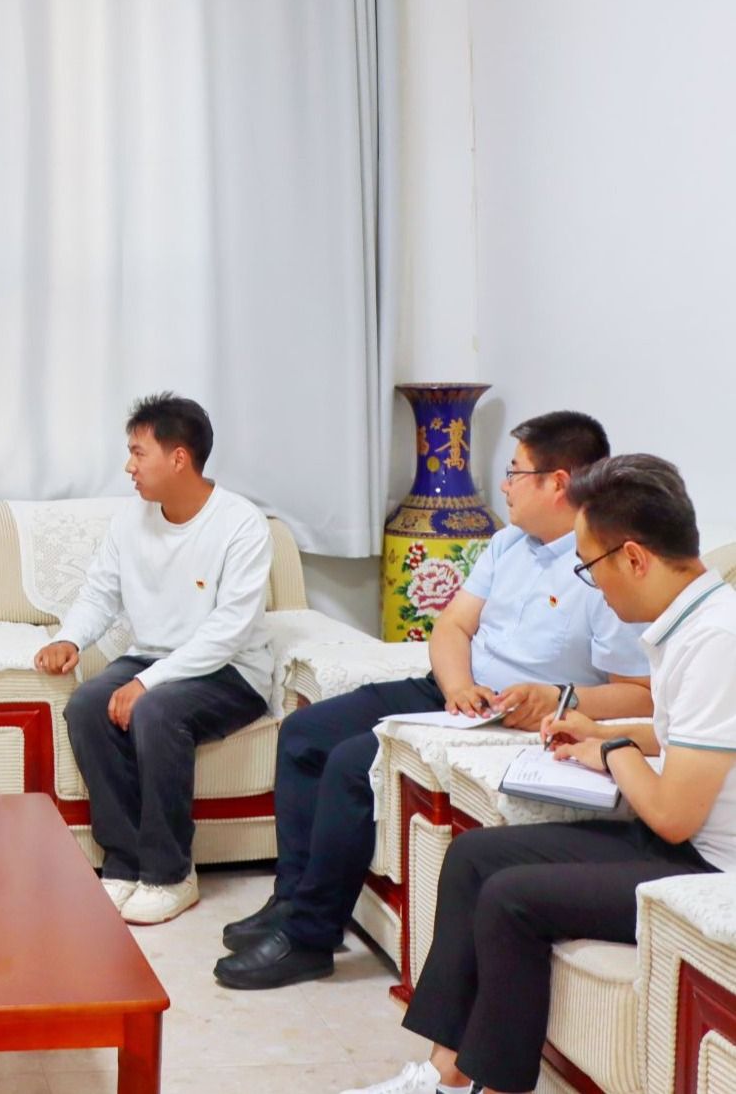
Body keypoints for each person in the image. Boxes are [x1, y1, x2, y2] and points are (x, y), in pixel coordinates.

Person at [216, 411, 652, 990]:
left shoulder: (604, 567)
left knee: (352, 762)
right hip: (455, 692)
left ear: (559, 482)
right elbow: (452, 627)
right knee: (305, 733)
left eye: (515, 472)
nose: (504, 485)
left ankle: (310, 937)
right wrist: (456, 687)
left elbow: (639, 694)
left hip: (515, 717)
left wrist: (557, 698)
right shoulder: (506, 544)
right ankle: (291, 900)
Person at [343, 454, 732, 1094]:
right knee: (473, 857)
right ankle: (446, 1076)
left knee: (512, 898)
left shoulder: (717, 642)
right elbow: (680, 738)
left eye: (590, 566)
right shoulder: (686, 623)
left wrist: (613, 751)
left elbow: (672, 814)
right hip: (683, 842)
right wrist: (598, 732)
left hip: (709, 867)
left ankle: (494, 1086)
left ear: (634, 558)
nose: (592, 584)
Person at [32, 393, 275, 925]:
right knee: (87, 705)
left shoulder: (242, 524)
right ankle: (124, 863)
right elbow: (100, 593)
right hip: (153, 659)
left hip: (231, 671)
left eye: (138, 453)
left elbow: (228, 632)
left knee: (156, 710)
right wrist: (70, 639)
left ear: (179, 458)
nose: (129, 466)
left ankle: (170, 874)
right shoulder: (130, 520)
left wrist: (149, 684)